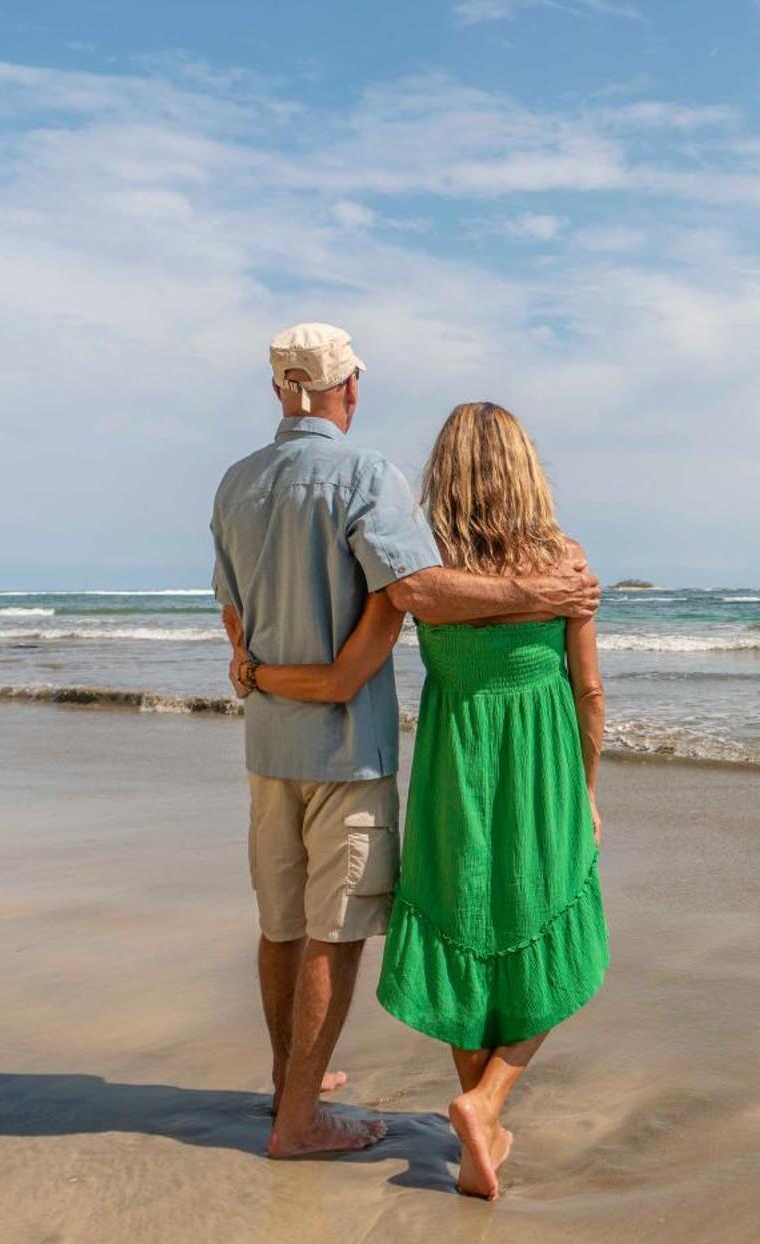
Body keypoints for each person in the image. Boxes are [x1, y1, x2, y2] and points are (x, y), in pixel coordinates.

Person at [210, 326, 599, 1160]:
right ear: (349, 388)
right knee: (334, 930)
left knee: (280, 922)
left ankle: (292, 1081)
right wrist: (546, 590)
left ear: (281, 389)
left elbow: (232, 610)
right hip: (347, 747)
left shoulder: (234, 484)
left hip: (268, 742)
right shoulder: (363, 474)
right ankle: (301, 1117)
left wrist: (256, 670)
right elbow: (419, 588)